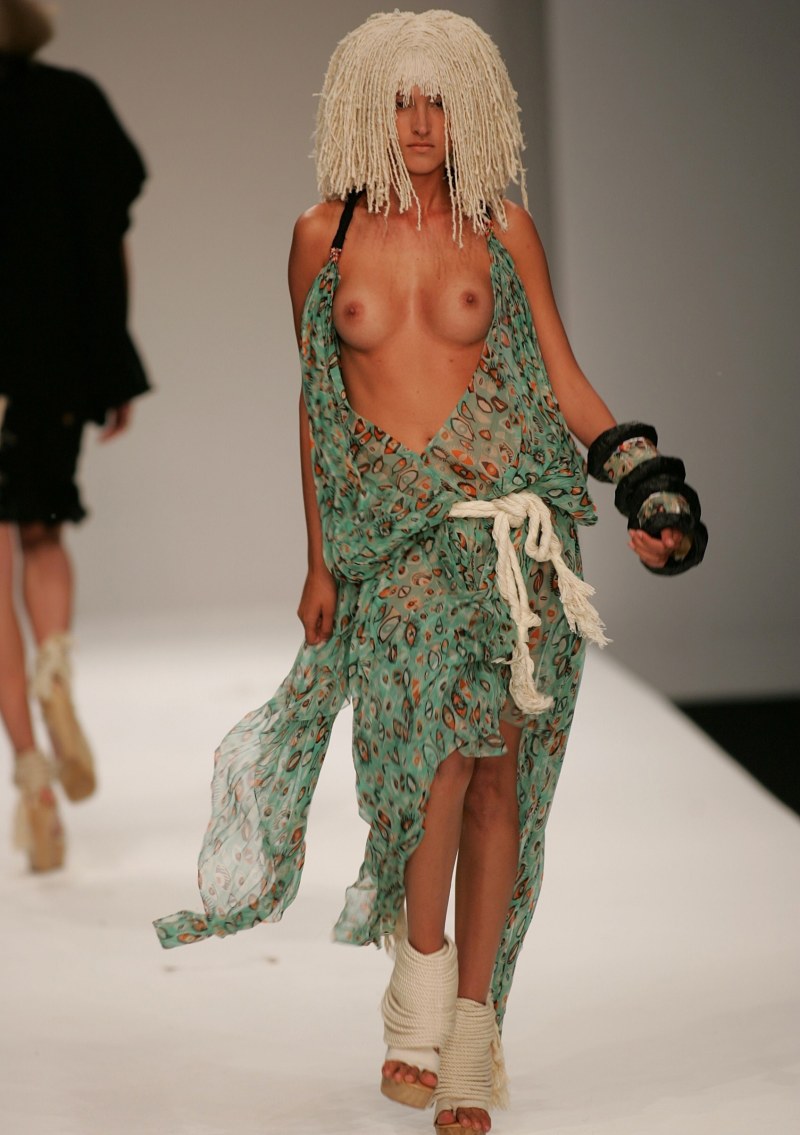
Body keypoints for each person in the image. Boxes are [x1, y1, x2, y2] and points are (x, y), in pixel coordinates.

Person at [154, 11, 706, 1132]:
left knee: (500, 781)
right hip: (399, 544)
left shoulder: (501, 229)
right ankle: (417, 984)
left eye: (438, 101)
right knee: (429, 772)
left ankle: (469, 1031)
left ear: (472, 111)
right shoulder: (322, 236)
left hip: (512, 537)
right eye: (398, 100)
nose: (417, 123)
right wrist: (320, 558)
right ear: (363, 108)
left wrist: (649, 487)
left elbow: (560, 377)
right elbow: (317, 409)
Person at [0, 0, 150, 872]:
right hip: (50, 361)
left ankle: (32, 779)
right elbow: (108, 241)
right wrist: (113, 365)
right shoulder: (75, 104)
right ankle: (55, 677)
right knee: (42, 529)